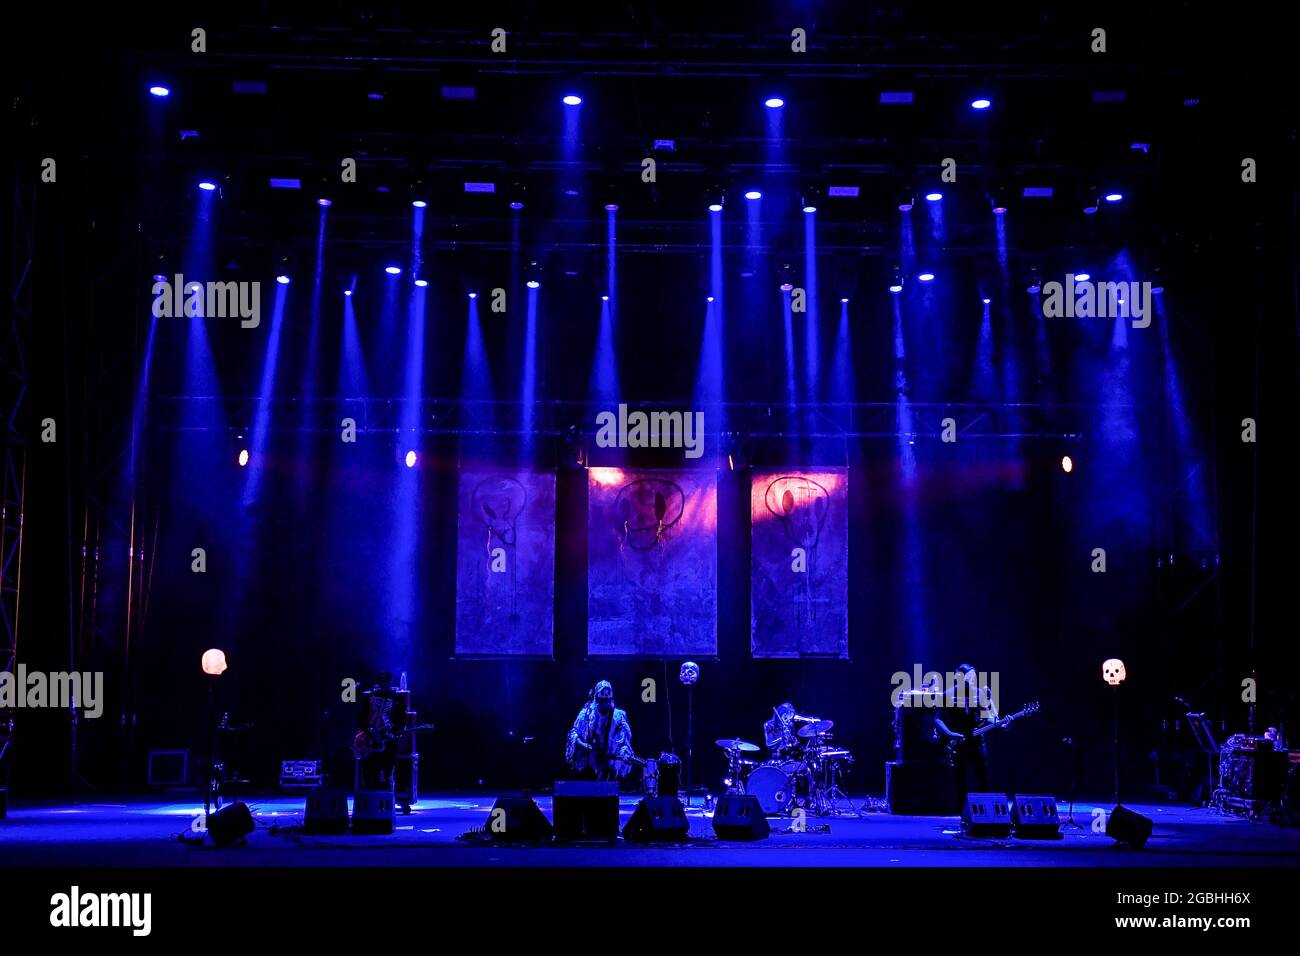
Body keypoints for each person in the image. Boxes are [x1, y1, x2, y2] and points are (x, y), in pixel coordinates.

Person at [932, 664, 1000, 803]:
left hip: (977, 742)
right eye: (970, 676)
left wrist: (1000, 722)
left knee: (983, 779)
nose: (974, 679)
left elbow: (987, 716)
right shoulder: (947, 695)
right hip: (958, 743)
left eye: (974, 676)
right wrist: (950, 734)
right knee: (960, 780)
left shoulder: (980, 693)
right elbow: (938, 719)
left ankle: (986, 814)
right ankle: (962, 814)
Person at [565, 681, 634, 781]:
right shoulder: (586, 713)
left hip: (611, 760)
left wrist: (624, 753)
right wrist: (583, 744)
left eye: (607, 695)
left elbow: (623, 740)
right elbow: (574, 733)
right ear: (596, 697)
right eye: (602, 695)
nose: (605, 700)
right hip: (591, 760)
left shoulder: (618, 716)